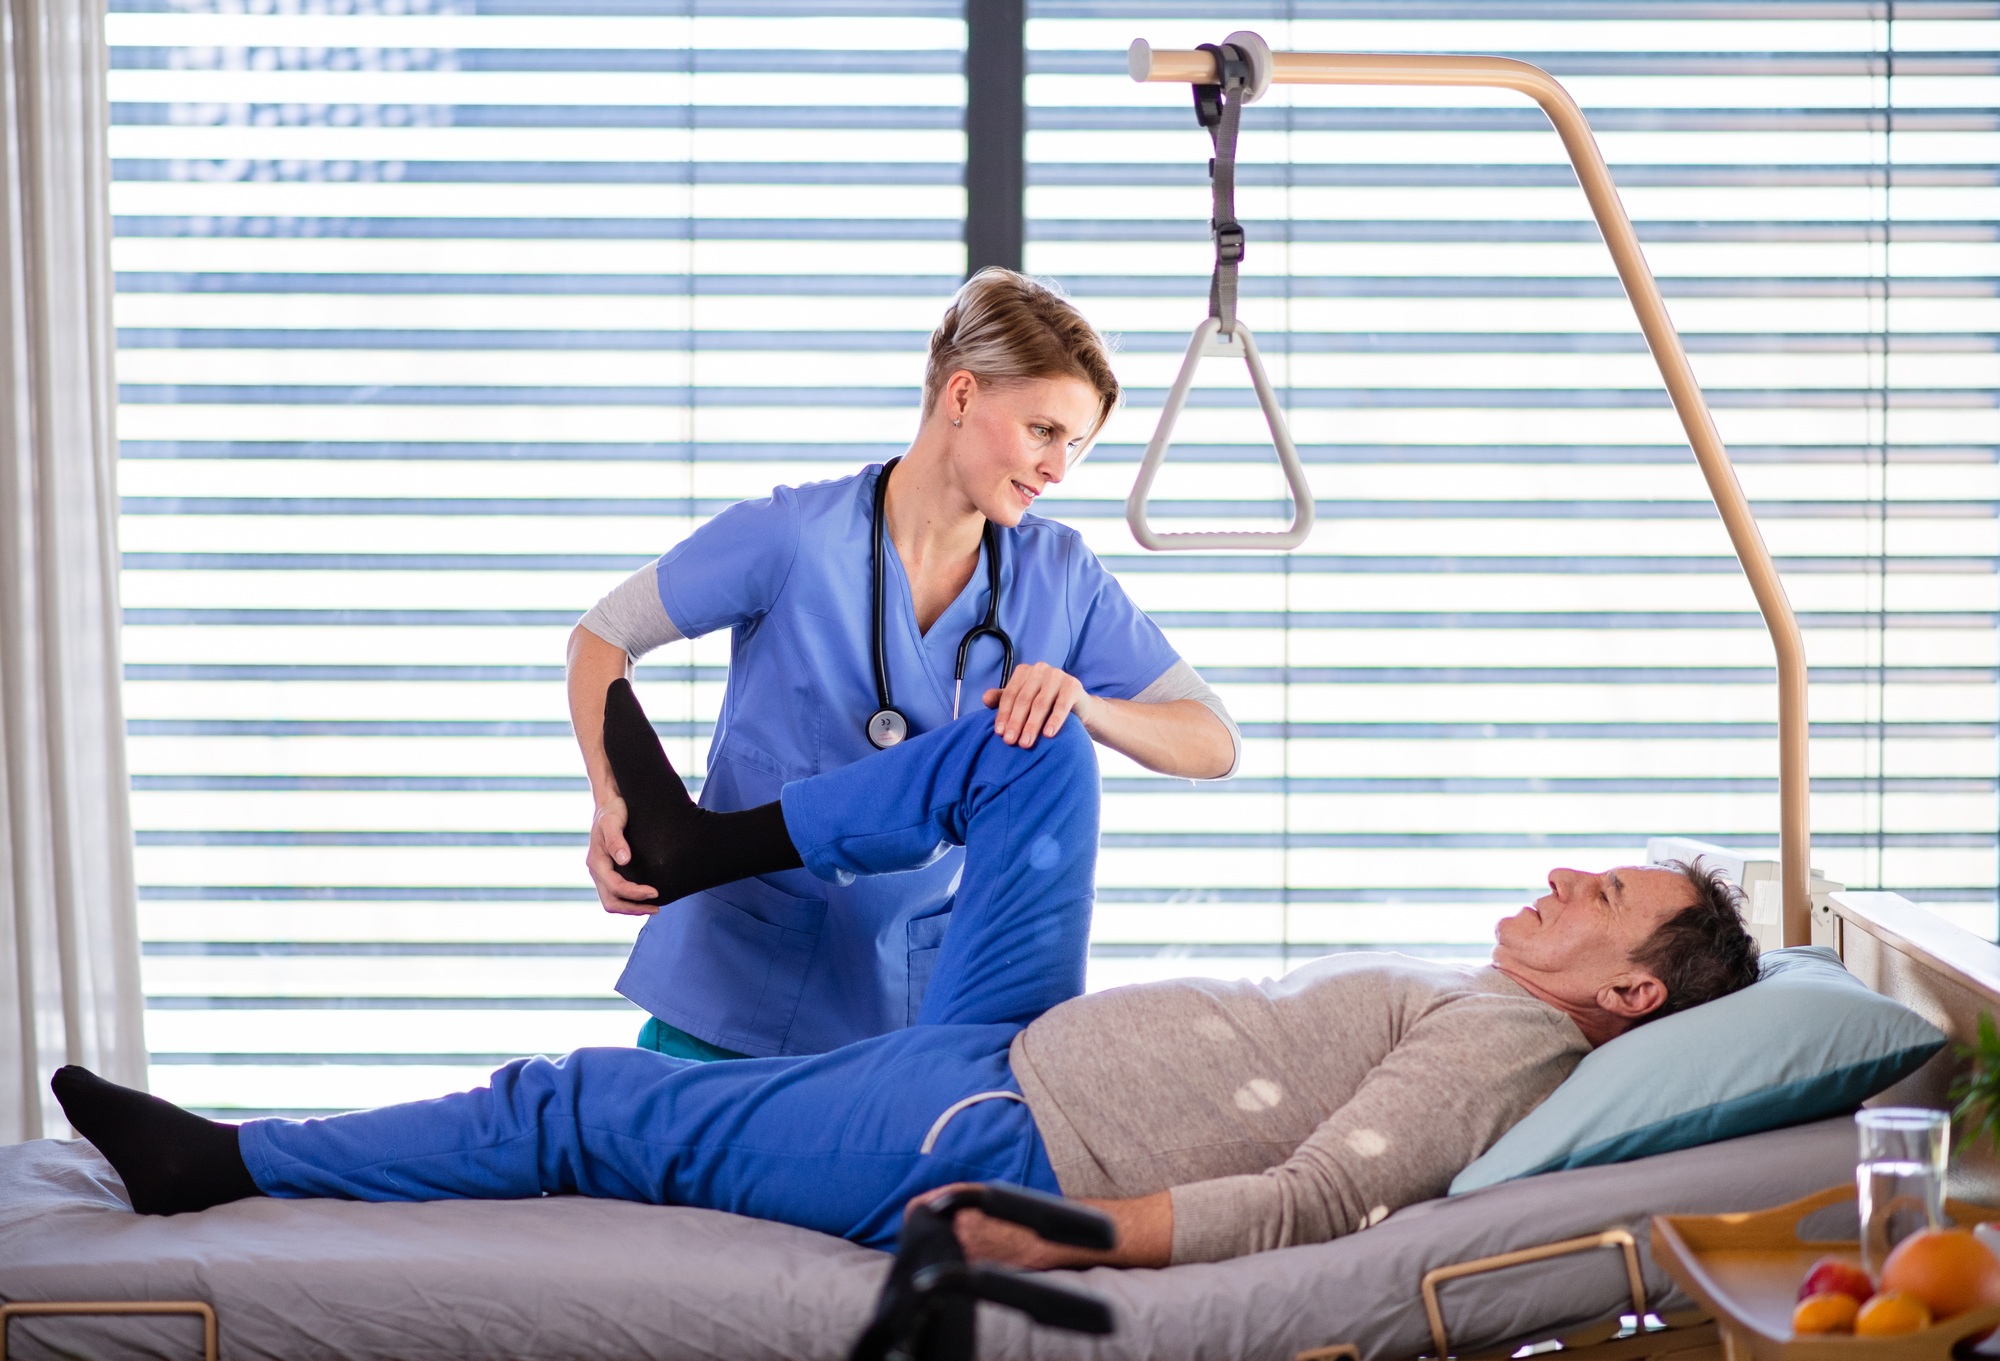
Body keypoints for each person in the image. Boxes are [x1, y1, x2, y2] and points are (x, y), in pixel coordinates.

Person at [55, 681, 1758, 1268]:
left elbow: (1319, 1201)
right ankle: (705, 842)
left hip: (998, 1126)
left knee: (582, 1107)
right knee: (1040, 741)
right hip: (1017, 1039)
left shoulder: (1508, 1050)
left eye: (1604, 894)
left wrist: (1067, 1232)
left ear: (1632, 995)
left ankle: (227, 1161)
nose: (1564, 875)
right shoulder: (1500, 1001)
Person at [567, 268, 1240, 1064]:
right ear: (962, 394)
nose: (1059, 468)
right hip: (736, 983)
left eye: (1075, 443)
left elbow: (1213, 740)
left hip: (902, 1005)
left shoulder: (1059, 575)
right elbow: (603, 636)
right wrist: (616, 801)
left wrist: (1086, 706)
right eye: (1043, 430)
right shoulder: (794, 537)